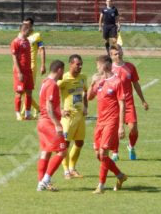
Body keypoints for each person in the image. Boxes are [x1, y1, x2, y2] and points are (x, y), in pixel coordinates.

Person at [87, 55, 127, 194]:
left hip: (112, 121)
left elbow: (122, 105)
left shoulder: (117, 82)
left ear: (105, 65)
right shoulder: (99, 81)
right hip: (100, 122)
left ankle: (101, 186)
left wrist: (121, 126)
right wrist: (93, 83)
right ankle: (120, 175)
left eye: (98, 65)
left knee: (104, 152)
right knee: (99, 155)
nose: (97, 68)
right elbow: (89, 97)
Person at [110, 45, 148, 161]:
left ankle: (131, 146)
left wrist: (143, 100)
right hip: (115, 104)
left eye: (120, 52)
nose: (118, 55)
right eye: (115, 54)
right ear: (111, 56)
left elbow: (136, 84)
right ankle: (115, 153)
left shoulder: (130, 67)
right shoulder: (109, 69)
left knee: (133, 129)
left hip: (128, 103)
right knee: (115, 129)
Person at [36, 60, 67, 191]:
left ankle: (41, 183)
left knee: (46, 153)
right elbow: (49, 108)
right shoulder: (53, 85)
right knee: (62, 151)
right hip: (49, 123)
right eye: (63, 71)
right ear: (59, 70)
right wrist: (57, 124)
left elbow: (46, 105)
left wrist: (61, 111)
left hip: (41, 122)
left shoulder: (44, 82)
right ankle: (46, 180)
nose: (63, 74)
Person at [58, 54, 88, 179]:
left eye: (81, 64)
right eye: (77, 64)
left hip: (80, 116)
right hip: (68, 117)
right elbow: (50, 93)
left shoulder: (83, 78)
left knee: (80, 142)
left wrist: (86, 106)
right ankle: (65, 171)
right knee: (64, 144)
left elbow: (85, 92)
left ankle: (72, 168)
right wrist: (59, 110)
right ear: (71, 64)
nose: (80, 66)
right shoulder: (63, 78)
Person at [20, 17, 46, 118]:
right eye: (24, 24)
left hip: (31, 66)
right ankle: (37, 108)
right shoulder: (21, 35)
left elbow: (42, 49)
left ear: (31, 25)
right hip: (22, 66)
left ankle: (25, 111)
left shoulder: (36, 36)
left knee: (26, 90)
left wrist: (43, 65)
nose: (25, 26)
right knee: (21, 90)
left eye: (27, 24)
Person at [10, 24, 34, 120]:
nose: (30, 32)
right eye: (29, 31)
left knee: (29, 91)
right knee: (19, 92)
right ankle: (18, 113)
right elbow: (14, 58)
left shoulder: (27, 41)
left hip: (28, 70)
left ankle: (28, 113)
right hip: (20, 71)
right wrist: (19, 72)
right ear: (24, 30)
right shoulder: (16, 42)